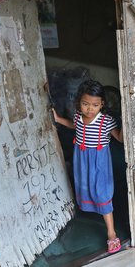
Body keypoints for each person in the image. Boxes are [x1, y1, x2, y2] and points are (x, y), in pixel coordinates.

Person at [52, 80, 124, 254]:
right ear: (79, 102)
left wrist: (128, 121)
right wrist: (58, 119)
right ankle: (89, 209)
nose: (89, 109)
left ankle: (111, 233)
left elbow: (120, 139)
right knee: (85, 187)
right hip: (82, 160)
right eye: (85, 104)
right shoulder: (78, 116)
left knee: (102, 192)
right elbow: (74, 125)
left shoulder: (106, 121)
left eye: (95, 105)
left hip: (99, 163)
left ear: (102, 104)